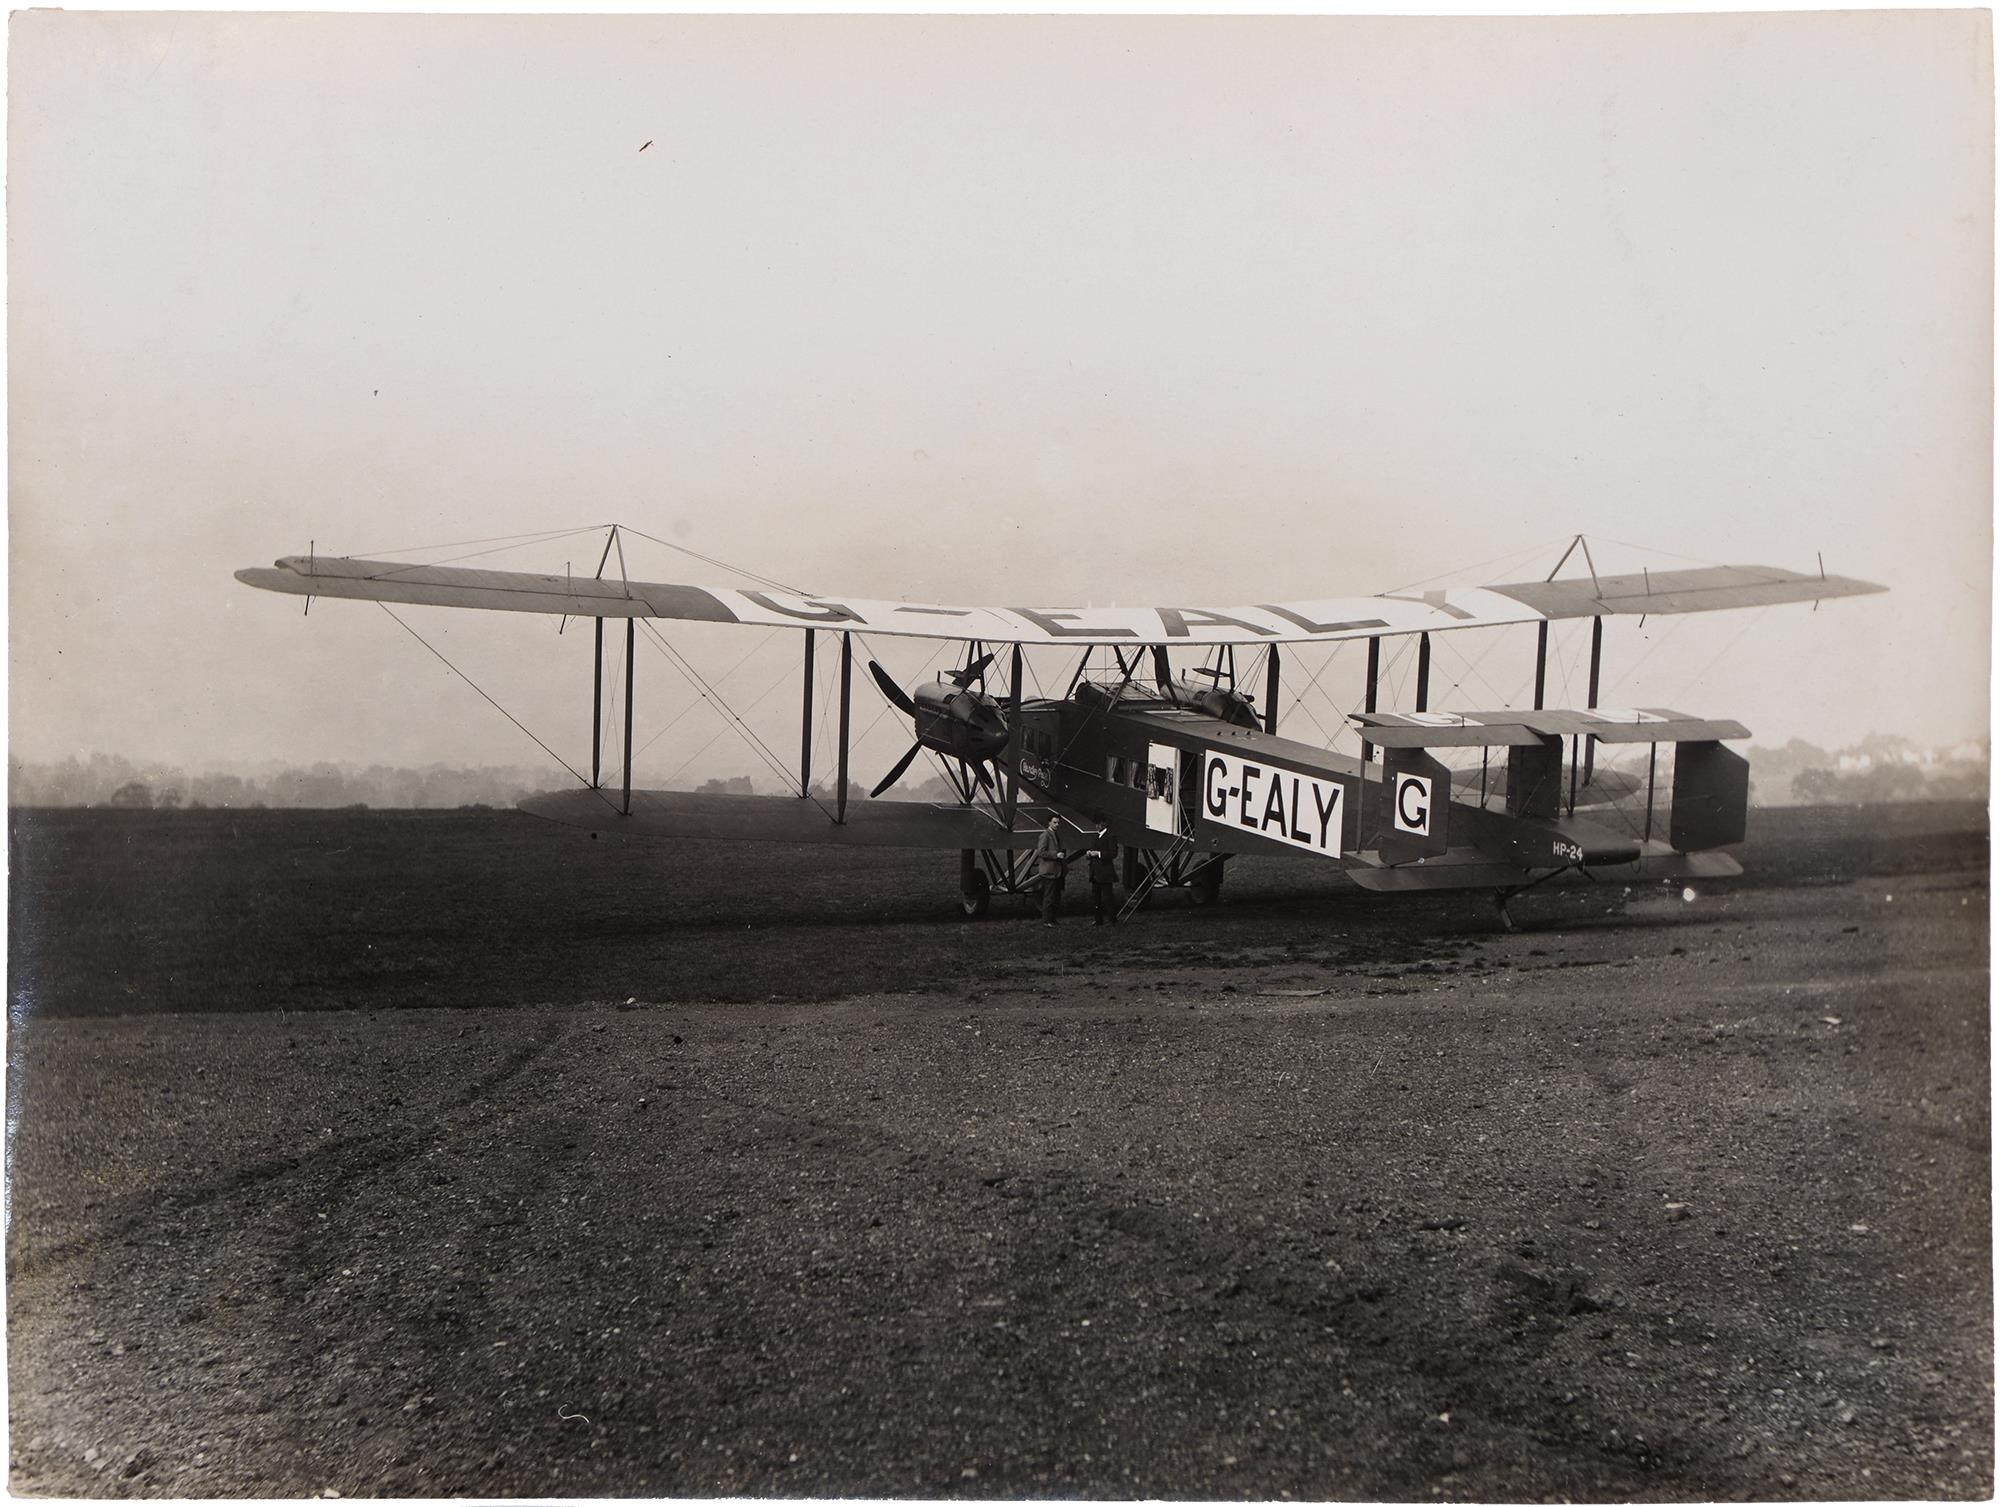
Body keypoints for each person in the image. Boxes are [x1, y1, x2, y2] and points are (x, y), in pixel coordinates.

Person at [1033, 815, 1069, 926]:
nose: (1057, 825)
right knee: (1049, 897)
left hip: (1056, 871)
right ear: (1049, 823)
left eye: (1058, 823)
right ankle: (1046, 920)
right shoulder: (1045, 835)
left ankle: (1052, 919)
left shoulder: (1055, 834)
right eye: (1055, 822)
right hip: (1049, 871)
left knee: (1055, 897)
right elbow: (1041, 852)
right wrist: (1055, 855)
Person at [1088, 840, 1119, 926]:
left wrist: (1098, 853)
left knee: (1108, 897)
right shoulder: (1096, 837)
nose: (1097, 826)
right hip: (1095, 872)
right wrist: (1089, 854)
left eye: (1099, 825)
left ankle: (1112, 920)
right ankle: (1098, 919)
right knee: (1096, 897)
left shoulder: (1110, 837)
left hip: (1105, 873)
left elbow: (1113, 853)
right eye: (1096, 825)